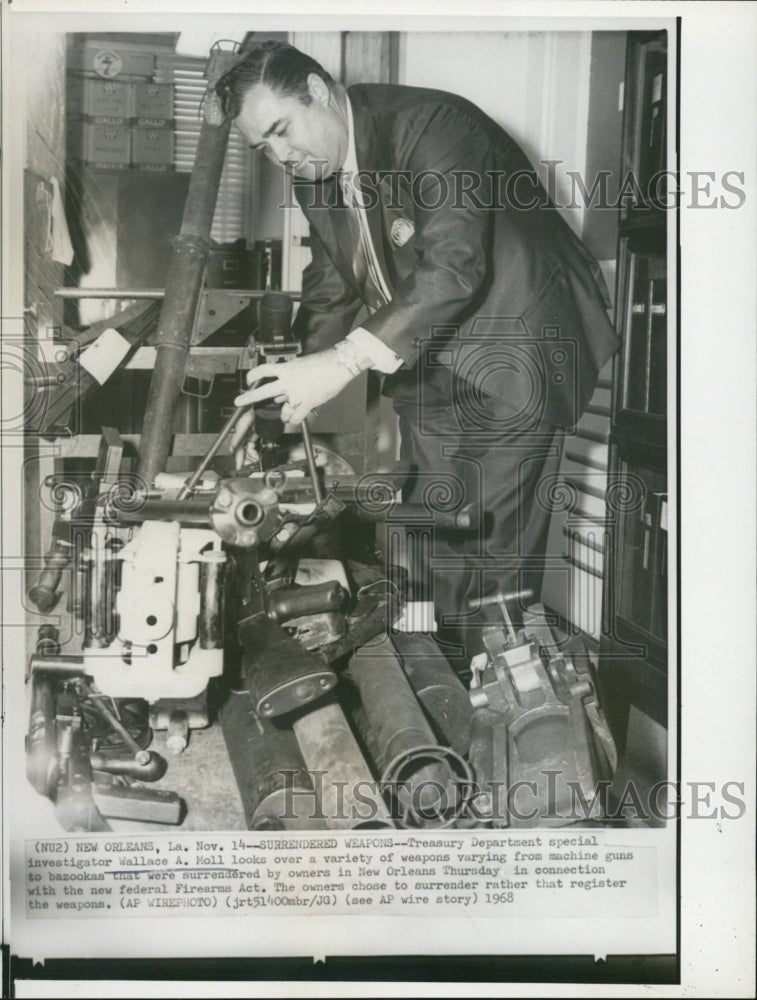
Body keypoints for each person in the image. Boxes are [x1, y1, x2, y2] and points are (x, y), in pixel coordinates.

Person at [215, 40, 619, 660]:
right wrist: (275, 405)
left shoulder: (433, 125)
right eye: (263, 148)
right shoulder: (315, 180)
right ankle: (462, 684)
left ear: (320, 91)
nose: (281, 156)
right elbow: (329, 298)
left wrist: (344, 363)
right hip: (431, 361)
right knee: (442, 528)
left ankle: (506, 709)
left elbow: (454, 267)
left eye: (281, 131)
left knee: (490, 550)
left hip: (519, 345)